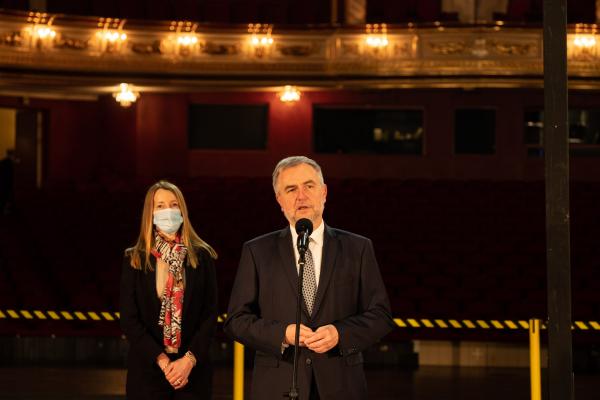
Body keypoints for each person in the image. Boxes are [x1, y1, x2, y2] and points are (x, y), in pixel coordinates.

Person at [224, 156, 395, 400]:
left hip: (341, 385)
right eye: (291, 189)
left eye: (309, 186)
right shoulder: (257, 251)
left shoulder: (358, 248)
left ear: (324, 192)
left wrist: (340, 334)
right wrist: (282, 333)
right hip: (278, 386)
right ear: (279, 200)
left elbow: (381, 316)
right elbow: (236, 321)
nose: (301, 196)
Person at [120, 180, 218, 399]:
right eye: (161, 206)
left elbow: (210, 316)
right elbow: (129, 319)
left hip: (193, 372)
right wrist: (164, 362)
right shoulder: (134, 258)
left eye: (174, 205)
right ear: (151, 213)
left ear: (182, 211)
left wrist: (188, 361)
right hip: (148, 372)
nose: (169, 211)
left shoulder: (202, 256)